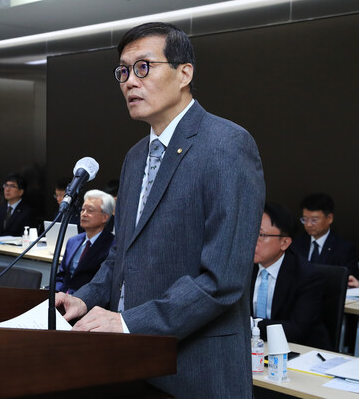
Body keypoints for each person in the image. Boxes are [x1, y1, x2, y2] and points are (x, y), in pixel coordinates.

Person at [55, 22, 265, 397]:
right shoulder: (136, 157)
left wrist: (128, 322)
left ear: (185, 73)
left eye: (144, 67)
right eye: (123, 71)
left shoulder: (227, 145)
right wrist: (85, 297)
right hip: (130, 364)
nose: (130, 82)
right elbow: (122, 255)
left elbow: (223, 279)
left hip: (195, 370)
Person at [251, 203, 331, 350]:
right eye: (250, 232)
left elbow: (296, 330)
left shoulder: (308, 276)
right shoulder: (242, 268)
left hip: (299, 352)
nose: (252, 241)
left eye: (261, 235)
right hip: (255, 347)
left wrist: (250, 324)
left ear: (284, 243)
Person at [55, 190, 115, 294]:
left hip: (87, 302)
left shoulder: (112, 245)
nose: (84, 214)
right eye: (82, 210)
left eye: (90, 211)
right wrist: (57, 293)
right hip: (61, 297)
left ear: (105, 217)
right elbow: (61, 276)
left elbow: (102, 284)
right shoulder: (73, 241)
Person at [291, 193, 359, 283]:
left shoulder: (344, 248)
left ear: (329, 218)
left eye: (314, 220)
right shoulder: (296, 243)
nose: (308, 224)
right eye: (305, 219)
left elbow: (350, 280)